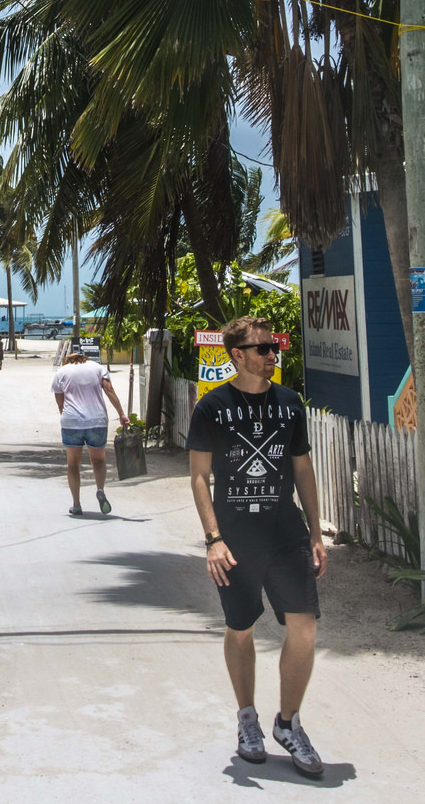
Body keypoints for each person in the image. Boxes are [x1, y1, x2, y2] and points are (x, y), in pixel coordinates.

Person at [186, 316, 326, 778]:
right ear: (237, 355)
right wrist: (213, 539)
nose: (271, 355)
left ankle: (288, 723)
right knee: (240, 627)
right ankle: (247, 719)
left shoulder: (289, 404)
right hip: (235, 538)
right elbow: (200, 478)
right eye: (262, 348)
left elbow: (302, 470)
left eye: (274, 347)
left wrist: (315, 533)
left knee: (303, 626)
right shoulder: (211, 407)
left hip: (284, 532)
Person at [52, 347, 124, 516]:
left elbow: (60, 402)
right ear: (85, 358)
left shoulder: (62, 372)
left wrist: (67, 416)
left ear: (70, 359)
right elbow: (109, 390)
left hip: (72, 422)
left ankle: (76, 504)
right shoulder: (98, 368)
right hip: (96, 420)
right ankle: (100, 489)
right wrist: (121, 413)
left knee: (73, 464)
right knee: (98, 461)